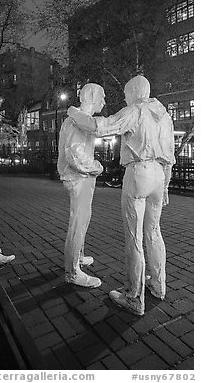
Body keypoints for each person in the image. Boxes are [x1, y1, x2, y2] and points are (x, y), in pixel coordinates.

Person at [67, 75, 175, 315]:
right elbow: (170, 154)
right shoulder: (164, 116)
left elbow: (100, 126)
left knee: (135, 237)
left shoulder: (135, 111)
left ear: (134, 92)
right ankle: (158, 285)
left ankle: (134, 297)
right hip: (159, 174)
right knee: (154, 232)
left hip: (139, 173)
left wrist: (74, 113)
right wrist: (166, 185)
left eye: (126, 94)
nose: (124, 98)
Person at [57, 83, 106, 288]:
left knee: (83, 219)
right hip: (79, 177)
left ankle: (79, 255)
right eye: (102, 97)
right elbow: (73, 155)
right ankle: (73, 270)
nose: (104, 101)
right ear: (93, 98)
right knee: (78, 221)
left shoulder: (78, 120)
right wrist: (94, 167)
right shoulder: (78, 122)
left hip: (81, 177)